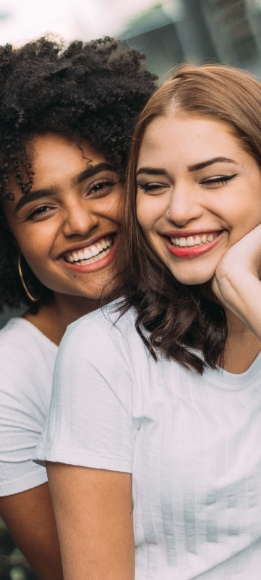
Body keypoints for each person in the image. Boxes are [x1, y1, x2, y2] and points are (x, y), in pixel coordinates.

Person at [36, 63, 261, 579]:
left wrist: (246, 289)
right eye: (154, 185)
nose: (179, 210)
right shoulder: (101, 352)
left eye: (216, 178)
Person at [0, 36, 157, 580]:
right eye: (41, 207)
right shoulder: (10, 378)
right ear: (9, 237)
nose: (81, 222)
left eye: (99, 185)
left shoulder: (212, 302)